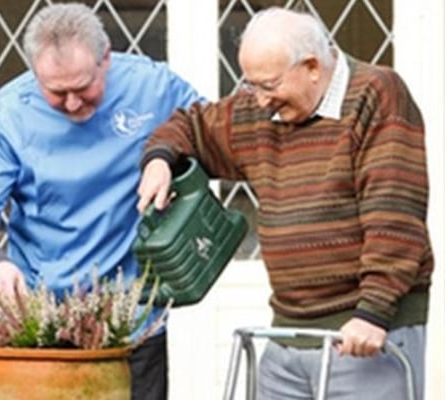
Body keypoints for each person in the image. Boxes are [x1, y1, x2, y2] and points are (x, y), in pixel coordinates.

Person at [137, 7, 433, 400]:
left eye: (269, 85)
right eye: (252, 85)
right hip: (288, 333)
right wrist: (159, 160)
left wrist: (373, 312)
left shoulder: (376, 94)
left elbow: (394, 210)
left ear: (311, 66)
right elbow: (190, 125)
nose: (259, 101)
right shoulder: (259, 112)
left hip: (363, 333)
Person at [0, 3, 204, 400]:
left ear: (106, 59)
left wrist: (165, 157)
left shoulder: (152, 87)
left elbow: (210, 131)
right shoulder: (5, 115)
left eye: (83, 88)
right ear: (35, 72)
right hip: (43, 326)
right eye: (56, 92)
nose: (72, 104)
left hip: (132, 320)